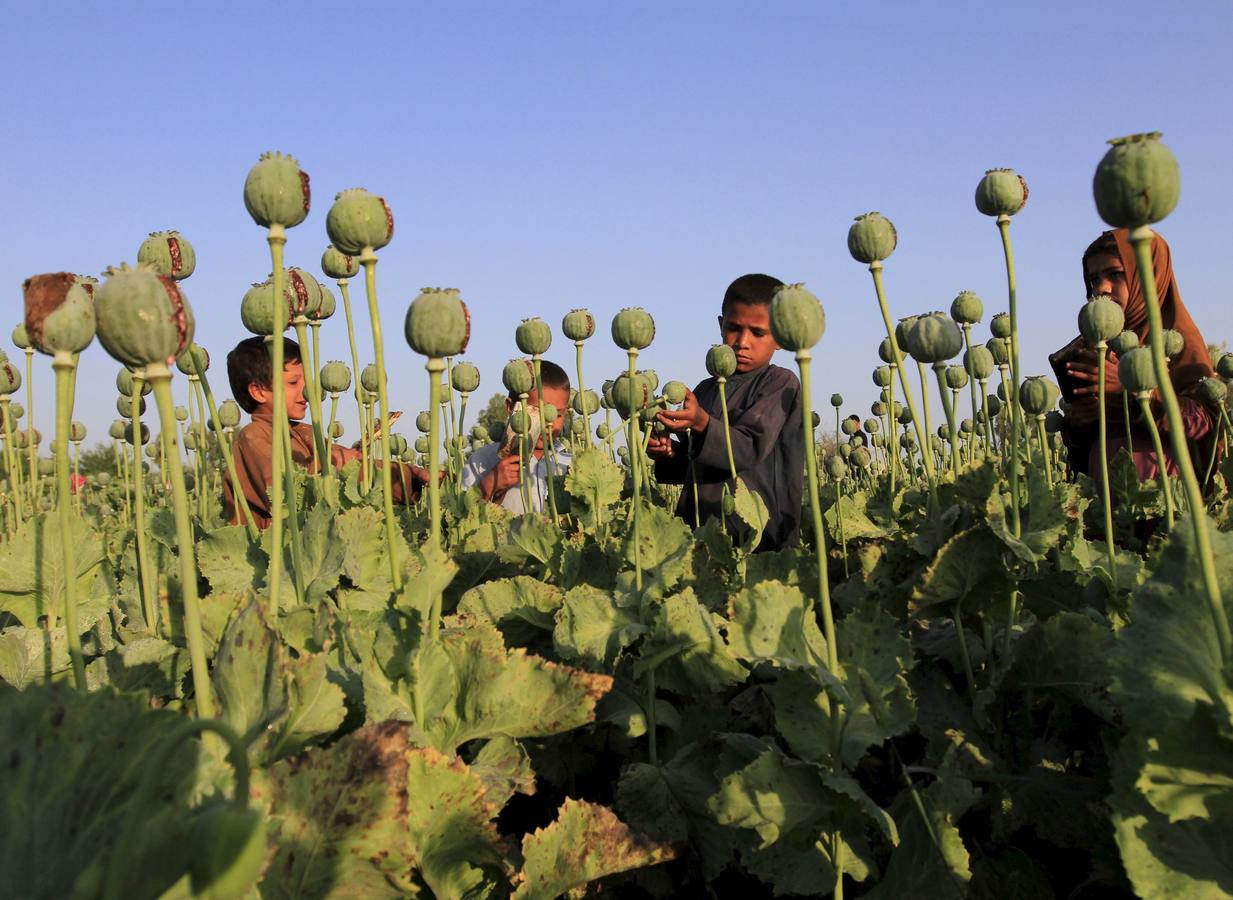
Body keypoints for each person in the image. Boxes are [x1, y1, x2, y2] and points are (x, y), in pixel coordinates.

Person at [648, 273, 803, 551]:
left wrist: (702, 423)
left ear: (781, 336)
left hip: (759, 540)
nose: (743, 342)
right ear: (721, 326)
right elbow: (698, 465)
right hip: (702, 534)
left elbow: (748, 448)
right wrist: (669, 453)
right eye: (734, 328)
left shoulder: (779, 383)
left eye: (758, 333)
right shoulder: (705, 390)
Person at [1049, 228, 1216, 481]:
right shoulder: (1092, 349)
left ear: (1148, 276)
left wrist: (1133, 388)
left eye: (1115, 274)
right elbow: (1079, 448)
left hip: (1164, 492)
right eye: (1093, 280)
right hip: (1103, 496)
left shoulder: (1177, 341)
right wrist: (1079, 423)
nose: (1101, 288)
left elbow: (1203, 427)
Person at [223, 336, 428, 527]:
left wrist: (415, 477)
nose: (307, 390)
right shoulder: (252, 437)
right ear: (258, 392)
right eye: (294, 382)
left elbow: (357, 471)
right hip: (269, 552)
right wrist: (332, 462)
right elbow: (281, 492)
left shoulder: (303, 433)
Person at [460, 359, 572, 513]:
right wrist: (491, 484)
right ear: (510, 407)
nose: (548, 423)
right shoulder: (483, 461)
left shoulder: (571, 466)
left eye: (557, 414)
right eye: (537, 412)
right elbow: (461, 517)